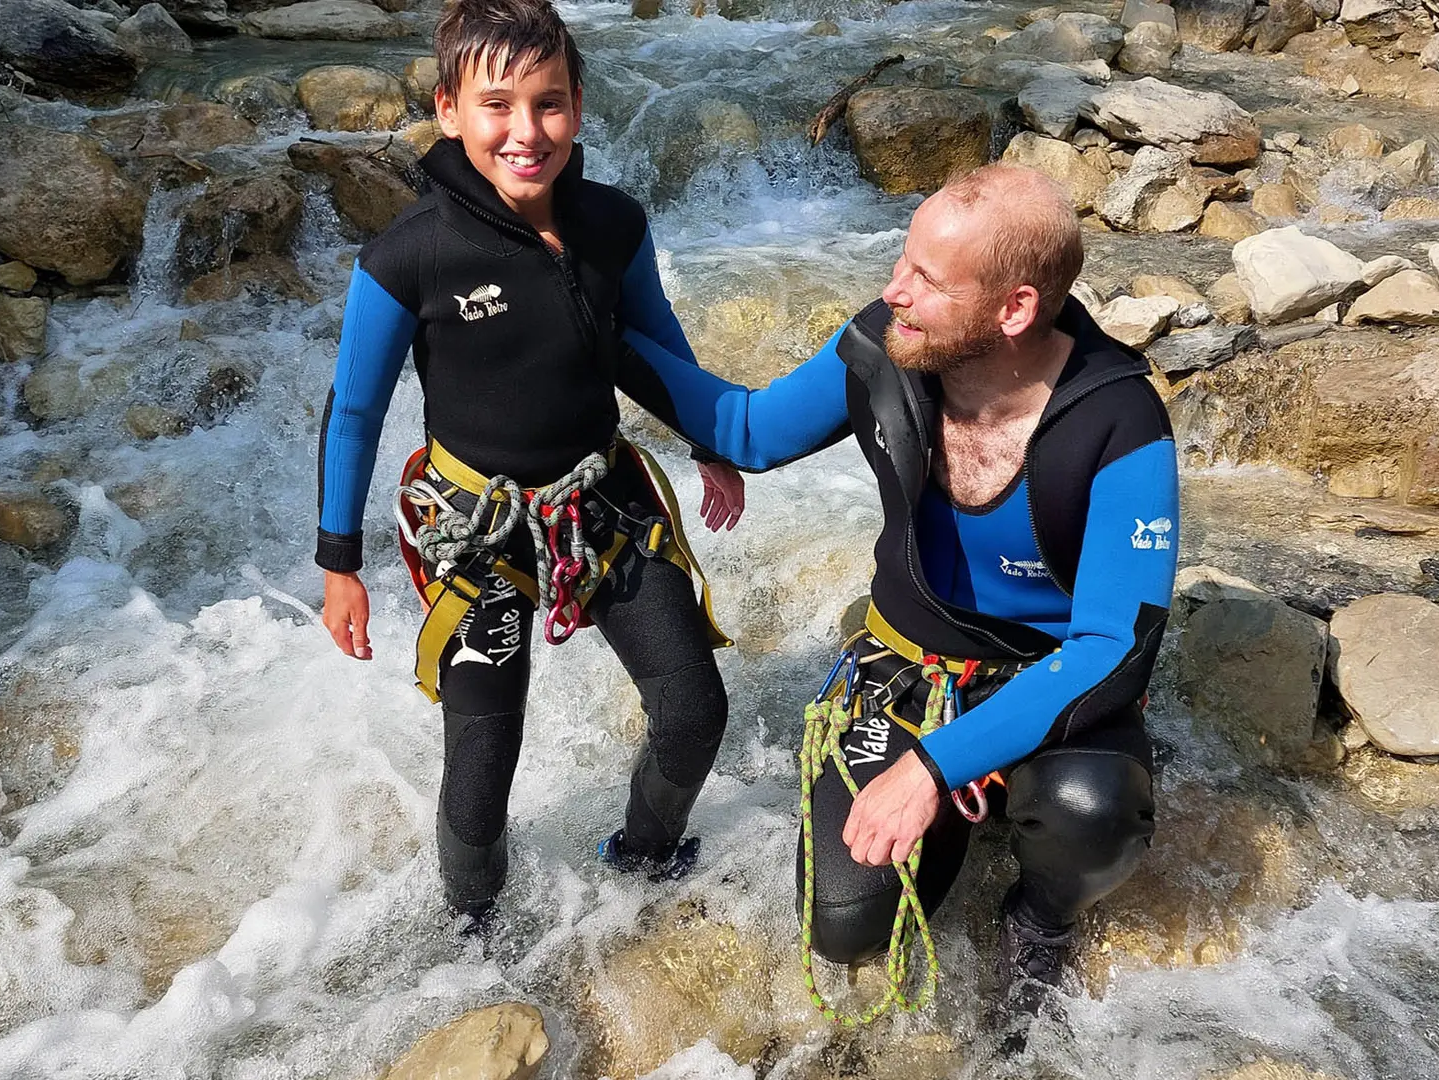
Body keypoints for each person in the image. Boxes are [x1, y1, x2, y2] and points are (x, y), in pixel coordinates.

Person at [616, 164, 1177, 1015]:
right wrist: (596, 339)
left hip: (1045, 678)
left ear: (1014, 309)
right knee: (844, 925)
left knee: (1087, 811)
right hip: (906, 667)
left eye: (926, 278)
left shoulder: (1120, 421)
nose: (893, 292)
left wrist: (932, 767)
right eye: (900, 261)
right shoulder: (887, 347)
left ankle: (1042, 913)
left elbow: (1113, 648)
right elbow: (746, 429)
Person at [314, 0, 745, 927]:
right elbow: (354, 411)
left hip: (604, 502)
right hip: (476, 528)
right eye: (497, 105)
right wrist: (338, 561)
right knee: (482, 754)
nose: (525, 131)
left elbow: (654, 342)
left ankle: (646, 857)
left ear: (579, 108)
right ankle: (477, 932)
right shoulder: (407, 258)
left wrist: (712, 442)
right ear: (449, 109)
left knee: (694, 707)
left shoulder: (612, 224)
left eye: (548, 104)